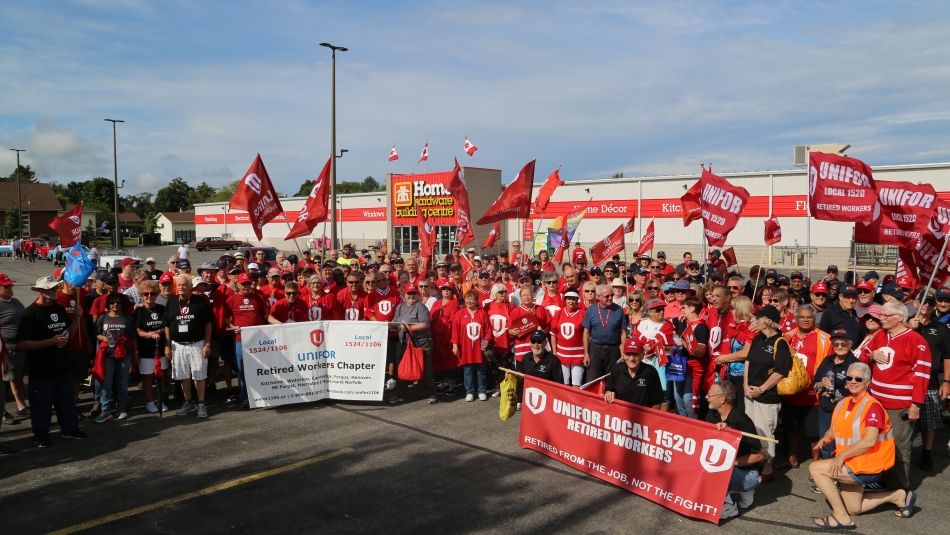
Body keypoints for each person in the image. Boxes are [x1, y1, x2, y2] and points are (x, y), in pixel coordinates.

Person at [809, 362, 916, 529]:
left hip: (867, 465)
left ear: (868, 382)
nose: (853, 381)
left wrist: (842, 456)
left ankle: (840, 517)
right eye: (849, 377)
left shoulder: (872, 407)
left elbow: (870, 440)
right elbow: (834, 430)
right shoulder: (842, 403)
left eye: (858, 378)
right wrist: (826, 439)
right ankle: (896, 496)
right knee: (854, 508)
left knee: (815, 469)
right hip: (852, 462)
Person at [858, 300, 931, 490]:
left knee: (899, 447)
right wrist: (872, 355)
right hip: (875, 401)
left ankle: (900, 489)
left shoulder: (917, 341)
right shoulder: (880, 335)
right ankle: (881, 479)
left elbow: (922, 375)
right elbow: (862, 354)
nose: (881, 319)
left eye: (885, 315)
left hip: (899, 405)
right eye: (881, 315)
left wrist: (916, 404)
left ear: (899, 318)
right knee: (877, 443)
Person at [19, 276, 86, 447]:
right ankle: (40, 435)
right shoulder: (30, 314)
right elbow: (23, 343)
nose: (54, 291)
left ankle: (70, 429)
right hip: (41, 369)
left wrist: (77, 319)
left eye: (55, 288)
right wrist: (50, 342)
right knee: (42, 404)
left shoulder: (59, 309)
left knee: (66, 400)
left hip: (61, 366)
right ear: (40, 291)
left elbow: (68, 334)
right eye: (50, 289)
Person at [743, 305, 791, 481]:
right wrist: (746, 386)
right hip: (750, 393)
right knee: (752, 429)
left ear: (768, 321)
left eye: (759, 318)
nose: (755, 321)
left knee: (765, 431)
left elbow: (780, 372)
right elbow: (748, 361)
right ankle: (756, 460)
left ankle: (768, 464)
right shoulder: (757, 338)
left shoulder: (780, 342)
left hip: (767, 396)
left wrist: (762, 389)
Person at [780, 304, 832, 469]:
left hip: (813, 394)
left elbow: (830, 363)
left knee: (813, 432)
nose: (805, 320)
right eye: (801, 317)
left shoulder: (825, 338)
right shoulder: (788, 336)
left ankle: (815, 464)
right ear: (796, 318)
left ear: (814, 318)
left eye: (809, 317)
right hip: (791, 392)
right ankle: (792, 456)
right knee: (791, 427)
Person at [706, 381, 764, 519]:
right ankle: (736, 492)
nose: (706, 397)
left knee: (716, 468)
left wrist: (731, 462)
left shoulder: (742, 421)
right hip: (729, 468)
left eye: (709, 394)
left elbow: (760, 456)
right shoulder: (712, 415)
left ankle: (730, 506)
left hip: (746, 473)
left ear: (722, 398)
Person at [908, 297, 950, 471]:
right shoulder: (905, 323)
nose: (926, 306)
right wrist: (910, 329)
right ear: (916, 303)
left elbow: (948, 357)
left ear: (934, 307)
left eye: (930, 303)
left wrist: (947, 381)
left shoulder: (941, 329)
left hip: (930, 382)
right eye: (923, 301)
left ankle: (926, 452)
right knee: (906, 421)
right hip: (907, 381)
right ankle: (903, 453)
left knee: (929, 421)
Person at [163, 275, 214, 419]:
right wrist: (167, 345)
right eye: (178, 285)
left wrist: (208, 344)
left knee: (199, 376)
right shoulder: (172, 301)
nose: (181, 287)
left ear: (191, 286)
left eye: (184, 285)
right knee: (183, 375)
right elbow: (167, 324)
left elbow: (208, 324)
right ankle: (188, 402)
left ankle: (201, 403)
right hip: (177, 346)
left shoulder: (200, 302)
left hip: (197, 344)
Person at [813, 329, 859, 465]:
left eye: (843, 344)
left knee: (845, 445)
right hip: (826, 410)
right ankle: (828, 475)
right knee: (826, 445)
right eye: (836, 344)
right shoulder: (827, 360)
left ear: (850, 345)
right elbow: (815, 384)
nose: (839, 347)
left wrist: (841, 390)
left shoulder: (855, 364)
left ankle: (843, 475)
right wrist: (821, 383)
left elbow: (859, 390)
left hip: (846, 412)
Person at [94, 292, 137, 422]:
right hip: (107, 354)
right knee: (106, 383)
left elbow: (133, 338)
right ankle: (105, 410)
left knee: (122, 383)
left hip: (124, 354)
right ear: (108, 304)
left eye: (118, 302)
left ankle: (122, 409)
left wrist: (136, 354)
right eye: (112, 302)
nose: (115, 305)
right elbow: (96, 334)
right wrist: (105, 338)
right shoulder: (103, 317)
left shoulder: (128, 318)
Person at [391, 283, 435, 404]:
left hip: (420, 343)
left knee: (425, 369)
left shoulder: (420, 307)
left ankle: (432, 393)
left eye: (413, 293)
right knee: (402, 369)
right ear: (404, 295)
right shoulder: (400, 307)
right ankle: (399, 393)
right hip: (403, 343)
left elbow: (425, 324)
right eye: (409, 293)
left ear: (417, 294)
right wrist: (390, 326)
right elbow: (395, 322)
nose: (411, 296)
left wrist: (409, 328)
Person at [135, 280, 168, 414]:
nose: (149, 296)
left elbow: (166, 326)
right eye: (146, 294)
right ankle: (149, 402)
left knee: (162, 376)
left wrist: (159, 332)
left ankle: (161, 400)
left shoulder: (161, 308)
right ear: (142, 295)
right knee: (148, 377)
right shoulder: (139, 311)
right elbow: (137, 331)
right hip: (146, 349)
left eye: (153, 293)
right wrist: (149, 334)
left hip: (161, 348)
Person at [451, 290, 491, 401]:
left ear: (476, 300)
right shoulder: (460, 314)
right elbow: (455, 331)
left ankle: (481, 391)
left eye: (471, 299)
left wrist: (487, 340)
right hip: (465, 347)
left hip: (479, 348)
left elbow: (488, 329)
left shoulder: (482, 313)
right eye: (467, 299)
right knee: (467, 370)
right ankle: (469, 391)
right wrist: (455, 345)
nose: (469, 301)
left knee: (481, 370)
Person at [582, 284, 627, 383]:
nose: (610, 298)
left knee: (612, 379)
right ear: (598, 297)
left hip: (613, 349)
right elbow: (586, 332)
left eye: (611, 295)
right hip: (595, 349)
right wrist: (586, 353)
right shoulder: (591, 310)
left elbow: (623, 332)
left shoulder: (618, 310)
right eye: (607, 296)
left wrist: (623, 351)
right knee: (592, 380)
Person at [604, 338, 663, 408]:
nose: (631, 358)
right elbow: (609, 389)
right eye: (628, 354)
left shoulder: (651, 372)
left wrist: (653, 418)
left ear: (642, 355)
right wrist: (608, 392)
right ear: (623, 355)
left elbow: (657, 401)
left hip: (643, 417)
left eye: (635, 354)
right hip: (620, 416)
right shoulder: (617, 369)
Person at [0, 272, 28, 426]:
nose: (10, 288)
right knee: (4, 382)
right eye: (6, 286)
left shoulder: (15, 301)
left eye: (10, 285)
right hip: (5, 349)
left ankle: (20, 406)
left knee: (17, 378)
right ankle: (3, 412)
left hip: (20, 347)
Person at [551, 290, 586, 387]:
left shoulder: (583, 313)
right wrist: (554, 352)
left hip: (578, 355)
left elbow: (586, 334)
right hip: (562, 354)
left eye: (574, 299)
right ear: (565, 300)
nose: (571, 301)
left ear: (577, 300)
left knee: (576, 384)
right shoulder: (559, 313)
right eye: (569, 299)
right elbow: (553, 334)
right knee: (564, 384)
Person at [519, 330, 564, 405]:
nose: (536, 344)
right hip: (528, 401)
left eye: (539, 341)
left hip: (548, 402)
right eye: (533, 341)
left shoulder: (553, 361)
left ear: (545, 343)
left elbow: (559, 385)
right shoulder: (526, 358)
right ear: (530, 343)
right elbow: (521, 381)